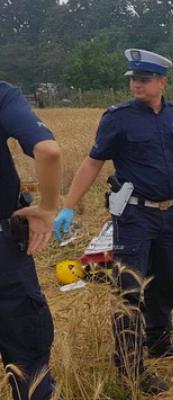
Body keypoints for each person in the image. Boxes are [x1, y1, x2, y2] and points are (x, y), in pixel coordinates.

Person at [53, 49, 173, 393]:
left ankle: (160, 340)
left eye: (144, 79)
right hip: (134, 216)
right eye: (133, 79)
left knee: (164, 280)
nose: (136, 84)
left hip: (169, 215)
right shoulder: (117, 118)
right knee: (128, 291)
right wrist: (69, 206)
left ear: (162, 82)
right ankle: (131, 369)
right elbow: (92, 163)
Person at [0, 81, 62, 399]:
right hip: (3, 254)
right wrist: (48, 208)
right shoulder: (2, 93)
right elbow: (48, 150)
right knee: (29, 367)